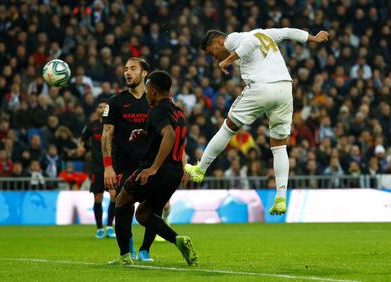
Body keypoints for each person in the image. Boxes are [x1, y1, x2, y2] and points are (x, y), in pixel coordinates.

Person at [185, 28, 329, 215]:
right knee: (279, 146)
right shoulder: (265, 33)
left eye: (213, 53)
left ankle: (200, 169)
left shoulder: (234, 39)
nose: (215, 58)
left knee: (228, 128)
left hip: (262, 87)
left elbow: (251, 42)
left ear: (218, 42)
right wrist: (313, 38)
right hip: (284, 88)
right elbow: (287, 31)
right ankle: (280, 198)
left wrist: (227, 60)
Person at [109, 70, 198, 266]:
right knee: (144, 214)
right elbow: (171, 136)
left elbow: (169, 136)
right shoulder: (177, 111)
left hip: (156, 171)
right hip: (173, 174)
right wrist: (146, 134)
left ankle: (125, 256)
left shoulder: (157, 110)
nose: (146, 93)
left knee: (122, 200)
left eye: (147, 89)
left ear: (155, 91)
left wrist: (153, 168)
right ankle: (178, 240)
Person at [102, 57, 159, 261]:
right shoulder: (116, 102)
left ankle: (145, 250)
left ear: (144, 73)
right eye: (125, 69)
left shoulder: (155, 101)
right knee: (123, 208)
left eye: (133, 69)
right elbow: (107, 134)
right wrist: (108, 167)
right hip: (123, 166)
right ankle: (126, 253)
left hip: (150, 166)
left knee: (153, 209)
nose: (127, 72)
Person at [78, 99, 117, 239]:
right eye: (100, 107)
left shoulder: (113, 125)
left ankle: (110, 226)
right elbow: (83, 141)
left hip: (112, 167)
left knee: (114, 196)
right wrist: (81, 147)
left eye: (104, 107)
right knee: (98, 197)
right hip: (97, 167)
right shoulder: (92, 126)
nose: (102, 109)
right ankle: (100, 228)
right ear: (96, 110)